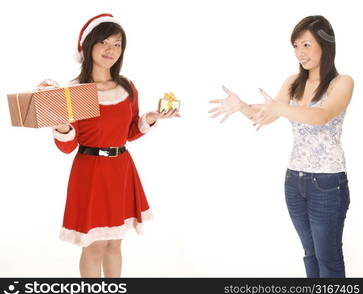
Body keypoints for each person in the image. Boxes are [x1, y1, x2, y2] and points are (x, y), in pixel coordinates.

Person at [208, 15, 353, 277]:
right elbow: (267, 115)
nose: (300, 52)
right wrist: (241, 106)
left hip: (328, 184)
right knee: (310, 255)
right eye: (295, 46)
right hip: (294, 182)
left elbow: (321, 116)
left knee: (328, 260)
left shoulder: (341, 82)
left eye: (306, 45)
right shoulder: (292, 82)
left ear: (325, 44)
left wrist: (280, 107)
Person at [42, 13, 179, 278]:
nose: (111, 50)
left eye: (117, 44)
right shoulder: (76, 90)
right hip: (90, 172)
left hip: (122, 169)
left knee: (115, 243)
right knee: (95, 245)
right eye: (105, 42)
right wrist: (59, 124)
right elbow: (68, 147)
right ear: (89, 45)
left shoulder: (126, 87)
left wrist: (148, 120)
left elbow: (127, 133)